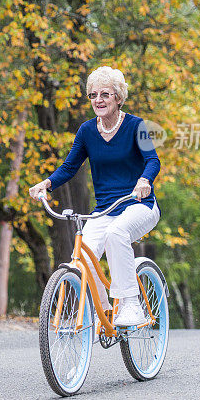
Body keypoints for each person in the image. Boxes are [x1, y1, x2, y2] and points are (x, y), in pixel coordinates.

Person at [28, 66, 160, 327]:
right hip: (105, 210)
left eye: (105, 94)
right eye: (92, 95)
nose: (98, 100)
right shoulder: (87, 131)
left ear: (119, 98)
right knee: (83, 257)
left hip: (139, 205)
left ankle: (132, 304)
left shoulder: (137, 125)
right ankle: (106, 309)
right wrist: (47, 183)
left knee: (116, 234)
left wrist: (145, 180)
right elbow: (69, 167)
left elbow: (152, 160)